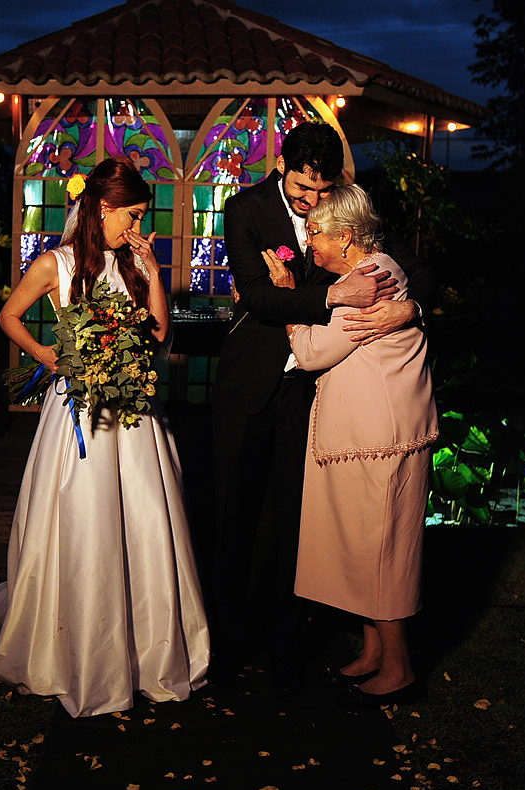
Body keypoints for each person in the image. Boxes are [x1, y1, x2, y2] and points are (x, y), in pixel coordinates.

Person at [209, 121, 433, 695]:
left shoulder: (349, 209)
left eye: (323, 192)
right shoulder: (244, 209)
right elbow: (257, 295)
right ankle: (225, 644)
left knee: (296, 525)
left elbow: (414, 268)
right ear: (283, 167)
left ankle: (287, 646)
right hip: (250, 385)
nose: (313, 205)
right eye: (304, 192)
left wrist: (410, 311)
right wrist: (333, 294)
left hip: (309, 392)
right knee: (232, 521)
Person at [0, 156, 210, 717]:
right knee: (86, 522)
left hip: (135, 419)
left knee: (144, 523)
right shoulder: (56, 264)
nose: (136, 226)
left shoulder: (133, 262)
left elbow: (159, 334)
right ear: (103, 208)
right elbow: (8, 315)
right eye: (130, 215)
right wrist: (45, 355)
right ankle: (74, 650)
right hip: (80, 417)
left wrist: (154, 271)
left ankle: (146, 652)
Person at [265, 183, 437, 707]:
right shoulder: (381, 267)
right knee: (365, 548)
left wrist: (292, 300)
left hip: (377, 438)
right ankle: (373, 654)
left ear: (344, 237)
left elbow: (314, 352)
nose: (310, 241)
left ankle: (400, 668)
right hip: (377, 434)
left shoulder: (366, 283)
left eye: (315, 232)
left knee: (378, 552)